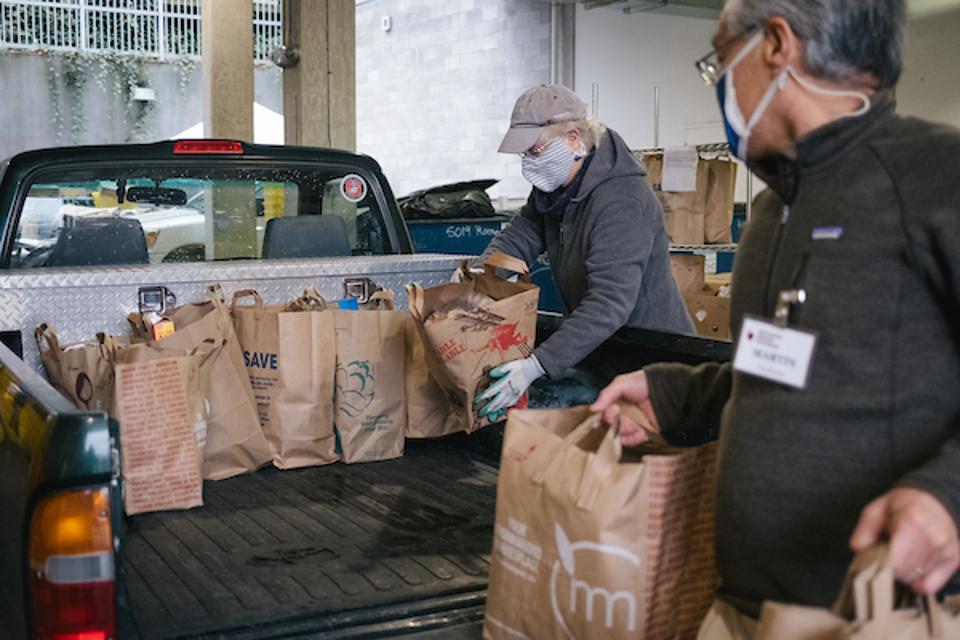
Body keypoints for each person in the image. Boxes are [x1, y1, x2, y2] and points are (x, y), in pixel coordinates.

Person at [592, 0, 960, 637]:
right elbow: (786, 369)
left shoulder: (935, 180)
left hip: (868, 617)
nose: (720, 84)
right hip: (739, 605)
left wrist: (948, 496)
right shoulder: (773, 206)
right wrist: (672, 394)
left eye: (720, 58)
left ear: (776, 46)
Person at [474, 84, 693, 421]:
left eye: (536, 151)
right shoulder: (555, 192)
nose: (529, 164)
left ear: (574, 139)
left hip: (651, 360)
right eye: (524, 155)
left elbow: (609, 302)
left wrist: (536, 366)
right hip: (601, 352)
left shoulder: (622, 201)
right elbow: (517, 239)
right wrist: (474, 282)